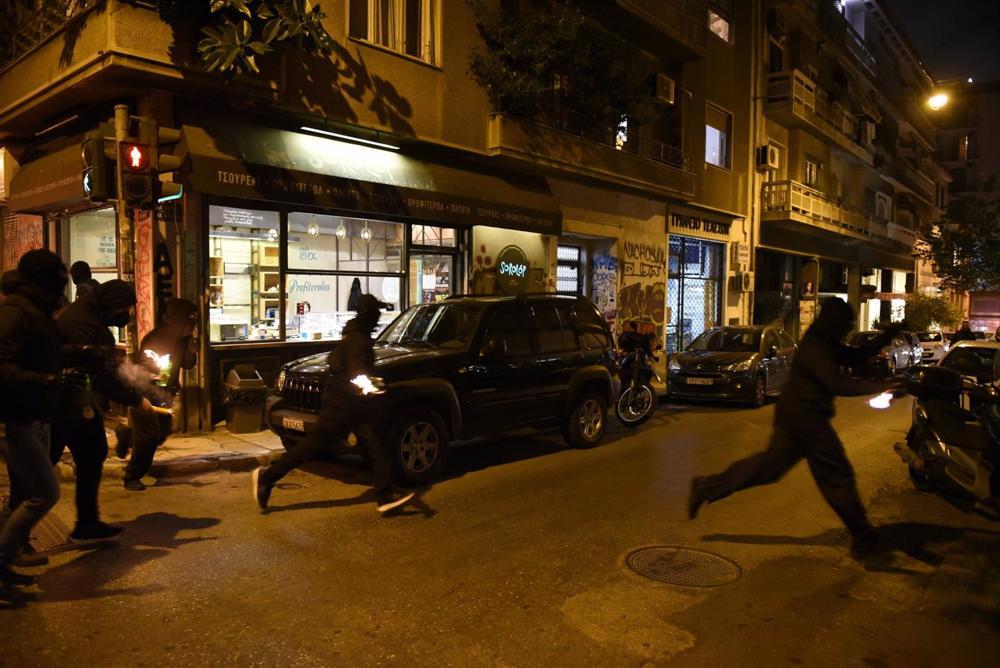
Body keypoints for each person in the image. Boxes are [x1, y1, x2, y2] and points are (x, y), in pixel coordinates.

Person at [687, 297, 902, 558]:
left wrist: (887, 336)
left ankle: (707, 487)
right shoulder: (816, 347)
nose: (847, 328)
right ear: (835, 322)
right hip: (806, 418)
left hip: (796, 415)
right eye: (846, 323)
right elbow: (836, 383)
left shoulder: (825, 342)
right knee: (837, 476)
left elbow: (856, 356)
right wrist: (880, 386)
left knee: (769, 468)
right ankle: (864, 537)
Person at [251, 294, 414, 514]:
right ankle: (267, 477)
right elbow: (358, 375)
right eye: (376, 312)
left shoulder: (353, 336)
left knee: (377, 448)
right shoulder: (359, 340)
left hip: (352, 405)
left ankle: (385, 497)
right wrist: (379, 387)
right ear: (369, 314)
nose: (378, 317)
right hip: (343, 406)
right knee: (313, 446)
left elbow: (340, 366)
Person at [51, 280, 154, 538]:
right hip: (63, 400)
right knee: (43, 465)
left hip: (75, 399)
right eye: (126, 308)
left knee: (92, 453)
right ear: (113, 304)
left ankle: (87, 522)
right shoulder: (83, 323)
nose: (128, 315)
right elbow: (102, 373)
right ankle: (14, 533)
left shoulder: (87, 315)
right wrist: (135, 400)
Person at [0, 250, 73, 584]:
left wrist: (82, 355)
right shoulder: (16, 309)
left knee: (21, 494)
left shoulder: (38, 309)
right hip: (17, 416)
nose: (63, 277)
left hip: (36, 414)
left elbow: (47, 351)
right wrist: (45, 380)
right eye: (57, 272)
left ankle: (10, 553)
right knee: (45, 493)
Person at [121, 298, 198, 491]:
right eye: (189, 322)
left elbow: (188, 365)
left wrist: (192, 351)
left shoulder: (183, 340)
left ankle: (127, 436)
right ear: (178, 320)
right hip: (145, 393)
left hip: (165, 394)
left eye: (194, 323)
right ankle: (132, 476)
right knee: (149, 436)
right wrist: (152, 374)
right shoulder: (156, 338)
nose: (192, 326)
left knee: (162, 434)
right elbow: (140, 366)